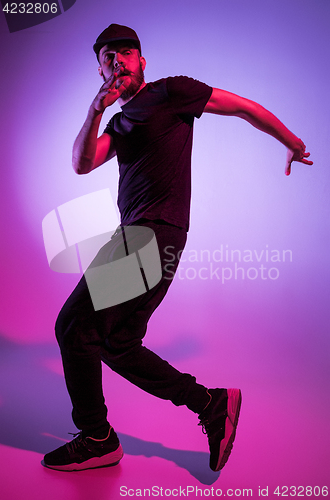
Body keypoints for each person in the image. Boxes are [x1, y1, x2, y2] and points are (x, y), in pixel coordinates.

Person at [42, 24, 313, 472]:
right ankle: (210, 404)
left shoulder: (171, 92)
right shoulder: (117, 121)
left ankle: (97, 438)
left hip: (150, 235)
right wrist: (94, 110)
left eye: (126, 53)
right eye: (109, 58)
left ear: (142, 62)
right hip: (142, 236)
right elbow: (82, 163)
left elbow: (242, 107)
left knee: (74, 327)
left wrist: (290, 141)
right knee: (116, 342)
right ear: (100, 70)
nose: (118, 62)